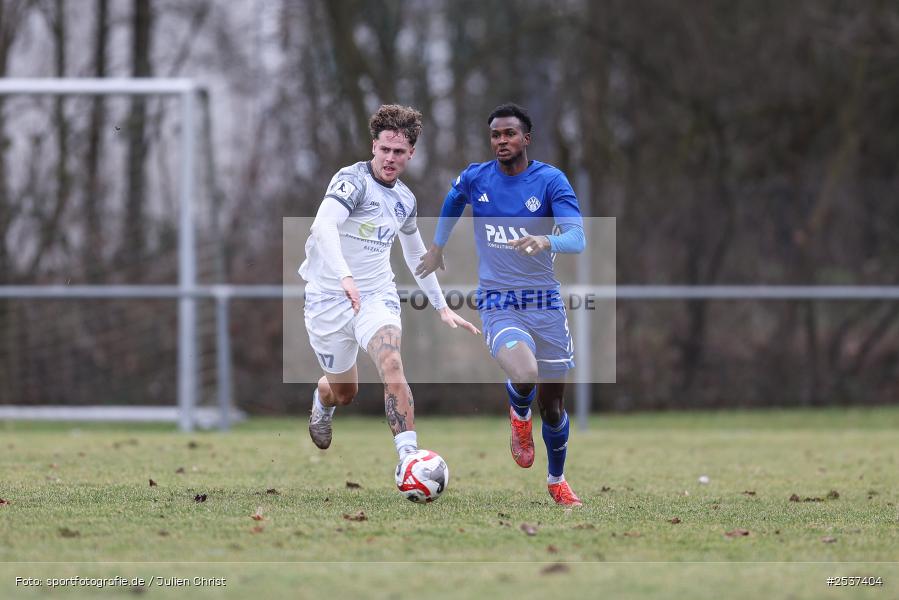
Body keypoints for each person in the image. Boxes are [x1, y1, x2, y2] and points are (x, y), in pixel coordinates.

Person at [415, 103, 586, 507]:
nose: (502, 141)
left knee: (556, 407)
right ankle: (518, 413)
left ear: (526, 139)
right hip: (498, 301)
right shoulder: (477, 177)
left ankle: (556, 480)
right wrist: (438, 246)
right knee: (525, 373)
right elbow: (454, 200)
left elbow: (577, 238)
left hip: (545, 303)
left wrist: (548, 240)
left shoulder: (550, 181)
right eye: (496, 135)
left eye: (510, 134)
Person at [299, 104, 479, 467]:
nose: (390, 158)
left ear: (411, 152)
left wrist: (442, 307)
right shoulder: (352, 182)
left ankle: (409, 458)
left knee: (392, 362)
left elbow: (418, 258)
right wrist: (344, 277)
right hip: (328, 299)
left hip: (376, 296)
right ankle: (324, 396)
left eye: (399, 151)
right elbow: (323, 227)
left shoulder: (405, 201)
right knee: (345, 392)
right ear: (373, 147)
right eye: (384, 149)